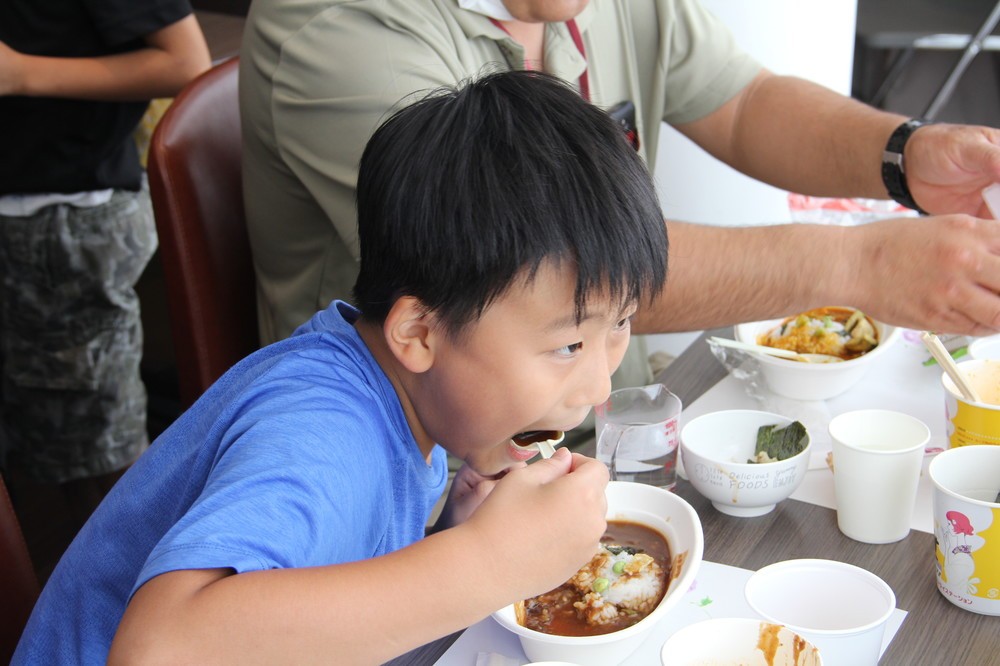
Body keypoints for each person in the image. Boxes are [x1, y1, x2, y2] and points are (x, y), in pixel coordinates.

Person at [13, 70, 666, 664]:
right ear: (419, 331)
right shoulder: (322, 433)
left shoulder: (411, 394)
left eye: (621, 324)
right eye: (568, 347)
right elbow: (159, 649)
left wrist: (449, 534)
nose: (600, 384)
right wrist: (485, 563)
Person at [240, 0, 1000, 387]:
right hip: (412, 481)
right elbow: (547, 274)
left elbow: (740, 100)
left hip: (602, 413)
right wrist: (857, 268)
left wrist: (905, 157)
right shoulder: (336, 25)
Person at [0, 3, 210, 500]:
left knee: (97, 450)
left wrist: (21, 73)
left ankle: (116, 575)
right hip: (34, 209)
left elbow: (185, 61)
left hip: (61, 216)